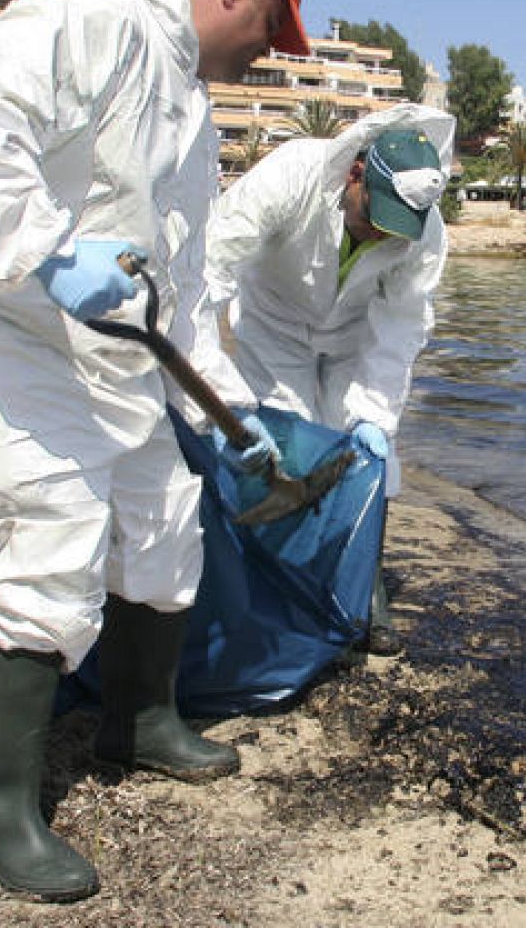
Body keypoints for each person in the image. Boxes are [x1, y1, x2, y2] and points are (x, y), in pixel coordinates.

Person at [0, 0, 312, 903]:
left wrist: (231, 414)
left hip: (106, 349)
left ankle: (139, 717)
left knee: (166, 517)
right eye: (274, 29)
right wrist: (46, 248)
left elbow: (181, 284)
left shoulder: (192, 109)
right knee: (56, 524)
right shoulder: (91, 21)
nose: (270, 54)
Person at [206, 103, 454, 656]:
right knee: (286, 445)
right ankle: (280, 580)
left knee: (370, 455)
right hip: (275, 322)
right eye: (373, 215)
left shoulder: (424, 230)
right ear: (357, 172)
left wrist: (375, 416)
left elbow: (401, 327)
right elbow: (210, 270)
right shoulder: (291, 175)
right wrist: (216, 390)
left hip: (352, 333)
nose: (376, 234)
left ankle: (365, 591)